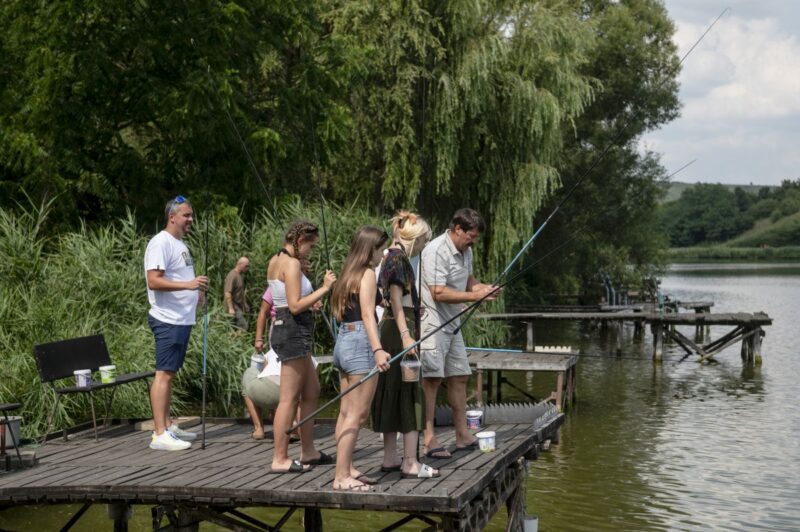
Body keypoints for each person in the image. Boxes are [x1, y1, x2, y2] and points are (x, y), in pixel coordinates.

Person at [419, 208, 498, 459]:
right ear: (457, 230)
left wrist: (484, 288)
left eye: (475, 237)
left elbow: (468, 280)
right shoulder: (435, 250)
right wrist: (474, 296)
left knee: (461, 375)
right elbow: (437, 292)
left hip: (452, 321)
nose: (473, 241)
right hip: (432, 322)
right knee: (431, 380)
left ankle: (462, 434)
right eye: (470, 236)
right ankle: (429, 439)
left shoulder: (467, 250)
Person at [371, 211, 440, 479]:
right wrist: (406, 334)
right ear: (414, 239)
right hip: (401, 331)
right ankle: (410, 461)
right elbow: (397, 300)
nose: (423, 247)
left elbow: (383, 298)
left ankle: (391, 457)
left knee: (391, 389)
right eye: (423, 242)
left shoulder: (388, 257)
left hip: (389, 327)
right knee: (410, 390)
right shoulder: (400, 260)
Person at [267, 221, 336, 473]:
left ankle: (308, 451)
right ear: (299, 241)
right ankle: (280, 458)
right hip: (293, 331)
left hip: (291, 330)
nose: (311, 251)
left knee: (312, 389)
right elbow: (295, 305)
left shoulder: (278, 259)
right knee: (288, 399)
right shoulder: (292, 263)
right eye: (310, 246)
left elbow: (287, 296)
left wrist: (306, 281)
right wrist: (324, 289)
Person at [144, 195, 209, 451]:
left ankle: (169, 425)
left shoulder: (180, 244)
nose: (191, 219)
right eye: (186, 215)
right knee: (164, 373)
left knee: (170, 374)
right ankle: (159, 434)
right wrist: (189, 285)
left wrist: (198, 292)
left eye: (191, 215)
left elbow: (182, 275)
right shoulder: (160, 243)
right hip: (167, 319)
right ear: (172, 217)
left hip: (182, 319)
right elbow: (154, 281)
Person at [330, 226, 390, 491]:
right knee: (358, 414)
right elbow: (368, 315)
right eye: (381, 249)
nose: (383, 254)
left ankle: (346, 467)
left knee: (345, 412)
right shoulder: (366, 273)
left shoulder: (348, 272)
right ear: (370, 249)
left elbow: (342, 313)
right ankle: (341, 476)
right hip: (361, 344)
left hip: (344, 340)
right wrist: (378, 349)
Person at [224, 256, 251, 330]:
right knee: (243, 326)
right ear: (240, 264)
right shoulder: (232, 275)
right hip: (233, 306)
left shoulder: (239, 275)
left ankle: (234, 339)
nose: (247, 268)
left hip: (238, 306)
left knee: (235, 327)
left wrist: (245, 304)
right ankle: (234, 338)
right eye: (246, 266)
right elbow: (227, 292)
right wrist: (230, 308)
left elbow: (240, 292)